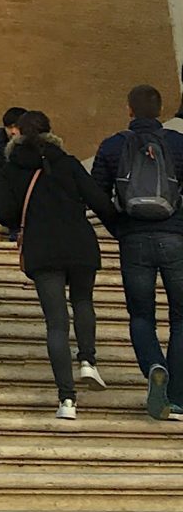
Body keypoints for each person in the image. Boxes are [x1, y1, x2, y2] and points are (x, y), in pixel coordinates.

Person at [0, 110, 109, 418]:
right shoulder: (68, 162)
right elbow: (98, 200)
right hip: (80, 244)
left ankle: (67, 400)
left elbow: (5, 213)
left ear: (18, 133)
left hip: (42, 248)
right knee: (83, 301)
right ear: (50, 131)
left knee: (56, 322)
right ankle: (87, 360)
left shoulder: (12, 168)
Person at [91, 85, 183, 419]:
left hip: (133, 239)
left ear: (129, 110)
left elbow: (96, 194)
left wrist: (119, 227)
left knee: (141, 315)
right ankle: (177, 396)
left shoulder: (112, 145)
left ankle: (154, 365)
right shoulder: (178, 143)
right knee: (181, 317)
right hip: (175, 238)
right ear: (160, 110)